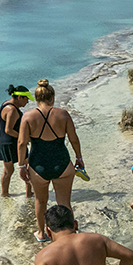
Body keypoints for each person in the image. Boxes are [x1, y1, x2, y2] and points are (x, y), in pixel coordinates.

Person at [17, 79, 85, 242]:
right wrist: (79, 158)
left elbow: (21, 143)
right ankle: (69, 235)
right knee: (64, 203)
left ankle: (41, 233)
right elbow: (74, 139)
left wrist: (21, 166)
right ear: (52, 97)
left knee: (40, 201)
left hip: (38, 166)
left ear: (36, 98)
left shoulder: (28, 116)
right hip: (62, 164)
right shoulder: (63, 114)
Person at [0, 84, 34, 198]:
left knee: (8, 171)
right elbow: (8, 130)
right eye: (26, 99)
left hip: (3, 143)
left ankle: (4, 194)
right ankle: (28, 193)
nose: (27, 102)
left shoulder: (5, 104)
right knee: (28, 167)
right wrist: (24, 138)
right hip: (12, 143)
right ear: (19, 97)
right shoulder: (12, 110)